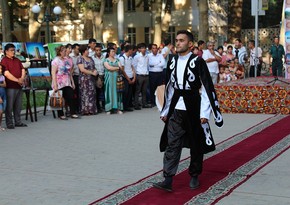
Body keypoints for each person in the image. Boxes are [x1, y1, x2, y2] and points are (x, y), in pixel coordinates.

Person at [152, 30, 223, 192]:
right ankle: (168, 179)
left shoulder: (198, 62)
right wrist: (165, 110)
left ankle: (194, 175)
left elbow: (206, 87)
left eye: (181, 40)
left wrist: (205, 113)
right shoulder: (172, 61)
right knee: (172, 143)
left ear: (190, 44)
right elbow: (170, 88)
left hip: (193, 105)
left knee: (196, 143)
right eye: (176, 40)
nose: (177, 43)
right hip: (176, 106)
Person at [1, 43, 27, 129]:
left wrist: (22, 79)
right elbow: (6, 73)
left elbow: (23, 69)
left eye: (14, 50)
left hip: (19, 86)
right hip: (10, 86)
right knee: (9, 105)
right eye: (11, 50)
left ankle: (18, 121)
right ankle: (9, 123)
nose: (13, 52)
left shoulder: (17, 60)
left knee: (18, 105)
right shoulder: (4, 61)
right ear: (6, 51)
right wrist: (17, 80)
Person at [51, 45, 79, 120]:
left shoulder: (65, 60)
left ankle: (72, 112)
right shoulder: (55, 61)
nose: (65, 52)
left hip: (67, 81)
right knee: (59, 98)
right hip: (59, 82)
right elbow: (53, 73)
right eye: (64, 51)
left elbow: (69, 72)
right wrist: (55, 85)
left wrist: (72, 82)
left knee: (71, 96)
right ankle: (61, 114)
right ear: (60, 52)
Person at [77, 45, 98, 115]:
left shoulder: (91, 58)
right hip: (84, 79)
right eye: (86, 50)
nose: (88, 51)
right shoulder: (80, 59)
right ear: (83, 51)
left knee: (92, 94)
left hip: (91, 79)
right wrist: (91, 73)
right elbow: (82, 69)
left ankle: (92, 109)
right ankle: (85, 110)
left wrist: (95, 71)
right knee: (85, 94)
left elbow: (94, 67)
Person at [104, 47, 123, 114]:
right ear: (108, 53)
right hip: (108, 78)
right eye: (112, 51)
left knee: (117, 92)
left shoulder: (117, 60)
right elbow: (108, 68)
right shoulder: (106, 60)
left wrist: (115, 68)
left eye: (114, 51)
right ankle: (108, 108)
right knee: (109, 92)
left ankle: (118, 108)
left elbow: (120, 67)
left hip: (116, 78)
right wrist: (116, 68)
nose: (113, 53)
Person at [133, 43, 150, 110]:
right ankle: (136, 104)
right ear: (139, 49)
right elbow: (134, 66)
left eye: (144, 48)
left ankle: (144, 103)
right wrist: (136, 75)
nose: (144, 49)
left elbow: (147, 65)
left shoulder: (147, 56)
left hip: (146, 75)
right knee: (138, 91)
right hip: (139, 75)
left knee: (144, 91)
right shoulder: (137, 57)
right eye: (142, 48)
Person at [119, 45, 136, 112]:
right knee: (125, 93)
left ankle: (128, 106)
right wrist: (128, 79)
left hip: (131, 76)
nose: (132, 51)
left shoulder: (130, 58)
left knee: (130, 93)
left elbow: (132, 67)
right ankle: (124, 106)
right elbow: (122, 70)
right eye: (132, 50)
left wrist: (134, 77)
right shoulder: (122, 58)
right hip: (125, 77)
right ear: (129, 50)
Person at [92, 43, 106, 113]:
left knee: (104, 91)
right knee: (97, 92)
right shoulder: (92, 58)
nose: (98, 52)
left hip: (104, 75)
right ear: (94, 51)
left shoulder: (104, 57)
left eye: (99, 50)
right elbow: (92, 67)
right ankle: (98, 106)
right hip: (96, 76)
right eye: (97, 50)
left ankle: (104, 105)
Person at [69, 43, 81, 113]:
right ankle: (75, 108)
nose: (78, 50)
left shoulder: (80, 56)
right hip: (74, 76)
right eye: (77, 49)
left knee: (80, 92)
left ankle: (79, 107)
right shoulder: (70, 57)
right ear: (73, 49)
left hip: (80, 75)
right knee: (74, 92)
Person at [0, 64, 7, 131]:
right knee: (0, 111)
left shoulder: (2, 76)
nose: (1, 70)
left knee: (2, 112)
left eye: (1, 69)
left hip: (4, 95)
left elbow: (5, 85)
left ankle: (0, 125)